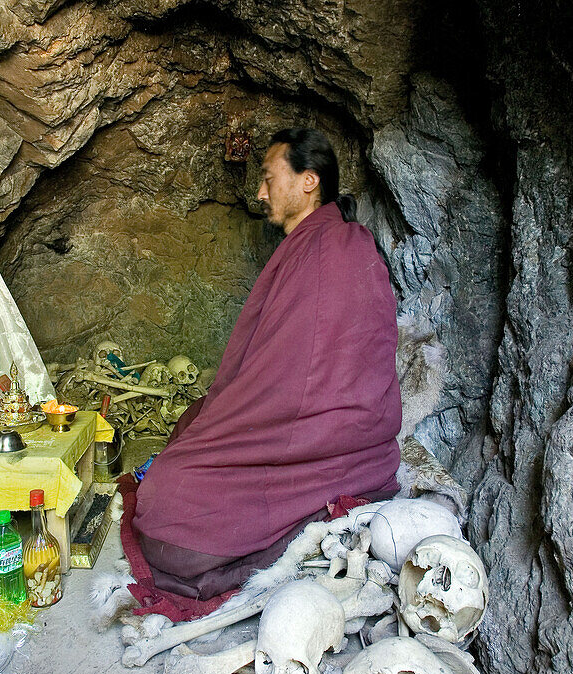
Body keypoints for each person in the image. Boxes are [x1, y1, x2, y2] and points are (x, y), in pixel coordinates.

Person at [129, 128, 402, 601]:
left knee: (169, 504)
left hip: (333, 439)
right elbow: (274, 363)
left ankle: (281, 529)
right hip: (290, 425)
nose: (260, 192)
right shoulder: (305, 249)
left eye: (269, 178)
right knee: (180, 449)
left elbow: (337, 365)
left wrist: (241, 412)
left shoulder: (342, 247)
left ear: (309, 181)